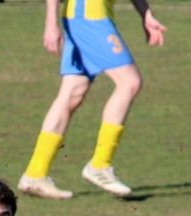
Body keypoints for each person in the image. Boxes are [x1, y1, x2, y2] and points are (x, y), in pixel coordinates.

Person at [17, 0, 167, 199]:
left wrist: (146, 14)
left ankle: (35, 173)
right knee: (129, 82)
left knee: (72, 93)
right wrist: (50, 24)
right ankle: (100, 165)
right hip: (89, 18)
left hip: (83, 18)